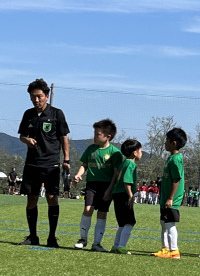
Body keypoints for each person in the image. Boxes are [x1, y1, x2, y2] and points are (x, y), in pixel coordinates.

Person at [18, 78, 70, 247]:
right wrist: (26, 140)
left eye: (39, 96)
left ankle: (52, 237)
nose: (36, 99)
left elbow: (64, 137)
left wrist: (66, 159)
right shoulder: (28, 114)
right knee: (31, 199)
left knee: (51, 197)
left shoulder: (57, 114)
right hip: (32, 164)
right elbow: (22, 135)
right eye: (33, 96)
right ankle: (32, 236)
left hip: (51, 164)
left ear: (47, 96)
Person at [73, 119, 124, 252]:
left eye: (98, 134)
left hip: (107, 186)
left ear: (108, 136)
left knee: (102, 213)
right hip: (92, 184)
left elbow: (116, 174)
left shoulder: (115, 153)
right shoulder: (91, 149)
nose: (94, 137)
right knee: (88, 209)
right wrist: (78, 174)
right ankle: (83, 239)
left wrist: (110, 190)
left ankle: (97, 243)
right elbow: (84, 165)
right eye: (94, 133)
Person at [152, 127, 187, 259]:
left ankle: (174, 250)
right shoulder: (170, 158)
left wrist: (171, 198)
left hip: (172, 198)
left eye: (167, 140)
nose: (165, 143)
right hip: (165, 197)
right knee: (163, 222)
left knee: (169, 223)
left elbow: (176, 179)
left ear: (174, 143)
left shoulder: (176, 159)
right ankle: (165, 249)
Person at [107, 139, 142, 254]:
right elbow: (127, 181)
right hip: (124, 194)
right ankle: (121, 246)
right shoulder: (131, 164)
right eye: (140, 150)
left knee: (122, 223)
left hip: (117, 194)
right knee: (130, 221)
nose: (141, 153)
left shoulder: (123, 163)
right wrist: (131, 196)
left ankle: (116, 246)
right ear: (135, 153)